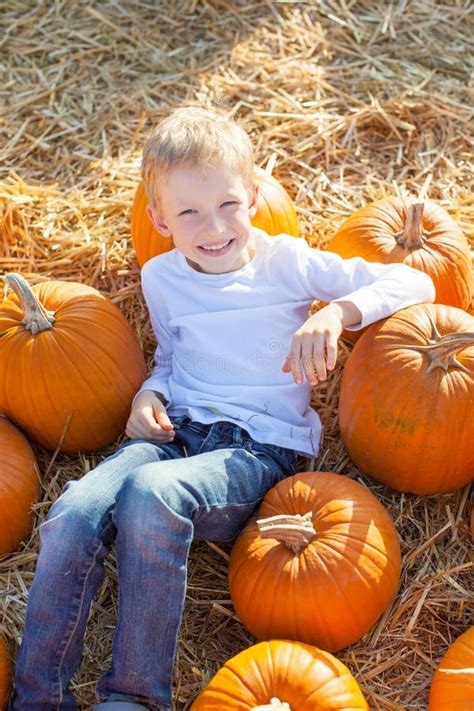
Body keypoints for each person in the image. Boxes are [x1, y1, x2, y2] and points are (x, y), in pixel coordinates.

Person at [9, 106, 435, 711]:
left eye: (228, 204)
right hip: (174, 436)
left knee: (153, 494)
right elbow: (172, 360)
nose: (213, 227)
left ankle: (134, 694)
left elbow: (414, 284)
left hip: (257, 449)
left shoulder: (286, 262)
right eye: (188, 212)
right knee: (74, 511)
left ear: (255, 194)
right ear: (158, 218)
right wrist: (151, 396)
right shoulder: (161, 278)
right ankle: (38, 697)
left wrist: (334, 313)